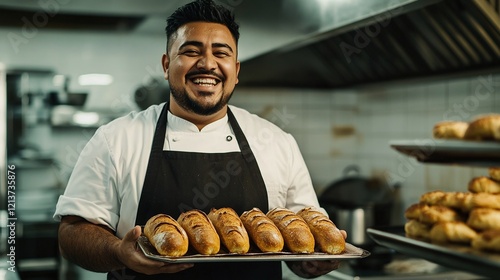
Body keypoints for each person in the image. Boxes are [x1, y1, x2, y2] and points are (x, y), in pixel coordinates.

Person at [54, 0, 346, 279]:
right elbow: (71, 235)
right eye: (192, 51)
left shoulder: (277, 142)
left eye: (221, 53)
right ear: (167, 65)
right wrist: (118, 252)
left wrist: (315, 263)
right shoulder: (116, 139)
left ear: (236, 70)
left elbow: (302, 249)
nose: (208, 64)